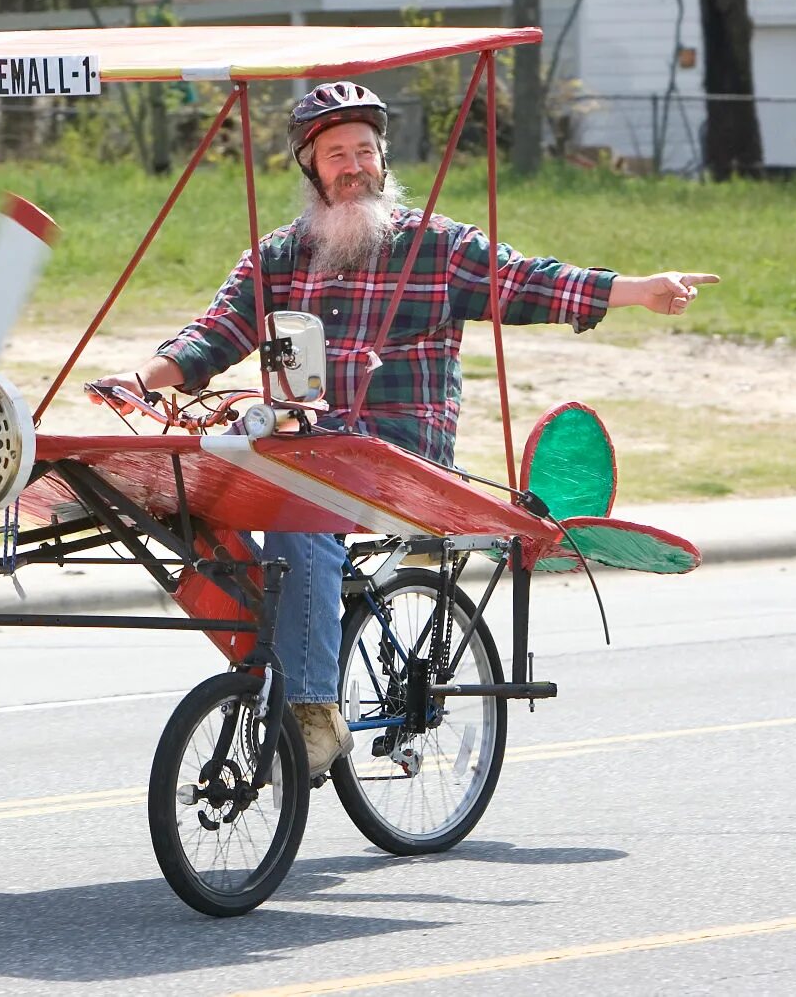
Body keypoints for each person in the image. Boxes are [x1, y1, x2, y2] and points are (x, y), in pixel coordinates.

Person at [89, 81, 718, 777]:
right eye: (336, 154)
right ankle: (270, 660)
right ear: (310, 168)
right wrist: (140, 379)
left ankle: (310, 711)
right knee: (196, 501)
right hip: (306, 447)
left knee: (299, 513)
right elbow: (212, 335)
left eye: (365, 150)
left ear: (384, 160)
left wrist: (638, 287)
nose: (354, 165)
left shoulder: (438, 247)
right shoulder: (277, 257)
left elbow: (531, 283)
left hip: (399, 452)